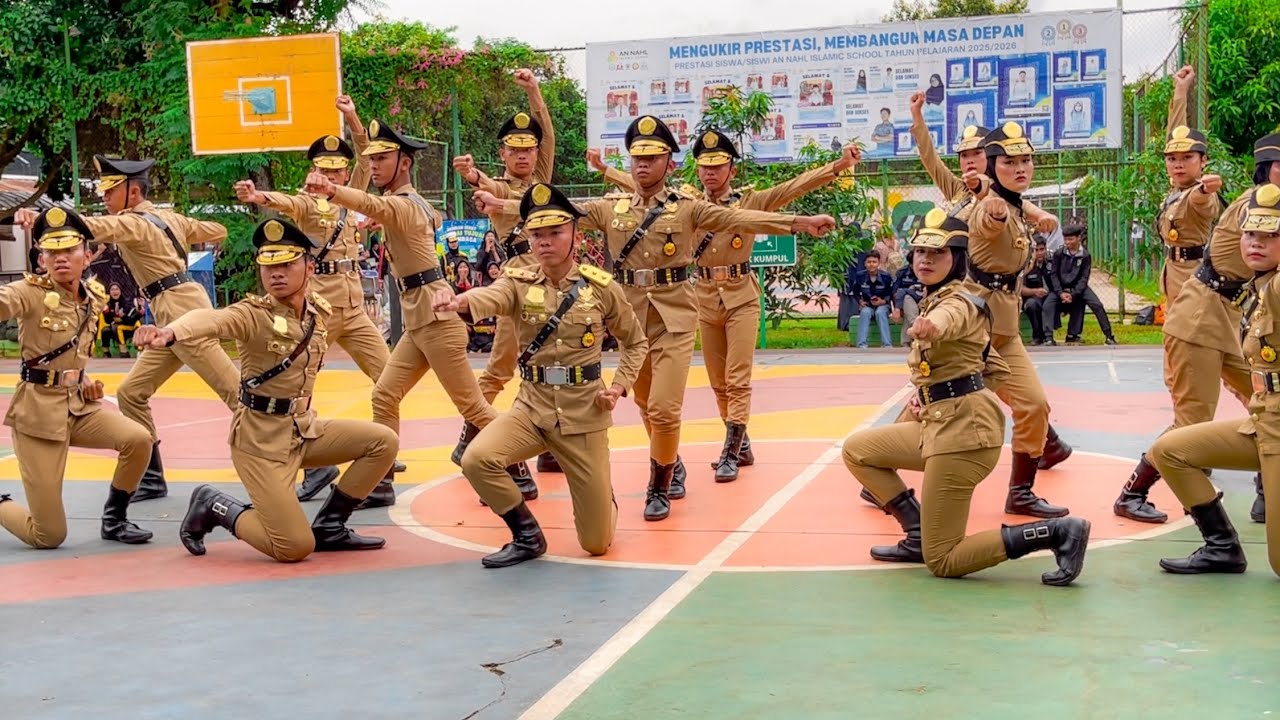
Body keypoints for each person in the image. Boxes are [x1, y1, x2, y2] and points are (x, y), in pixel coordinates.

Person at [476, 115, 835, 520]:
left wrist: (799, 224)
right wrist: (501, 205)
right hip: (631, 318)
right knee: (646, 404)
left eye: (652, 158)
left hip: (674, 316)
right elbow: (560, 211)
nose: (642, 165)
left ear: (670, 163)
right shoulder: (611, 208)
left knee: (664, 408)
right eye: (637, 158)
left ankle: (659, 485)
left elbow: (738, 218)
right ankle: (671, 461)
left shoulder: (686, 207)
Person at [590, 128, 857, 480]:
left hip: (740, 295)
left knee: (737, 377)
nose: (710, 173)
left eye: (718, 166)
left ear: (732, 169)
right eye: (705, 167)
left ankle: (731, 448)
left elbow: (792, 187)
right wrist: (606, 170)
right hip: (703, 296)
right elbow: (640, 186)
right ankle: (741, 442)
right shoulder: (681, 203)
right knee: (718, 380)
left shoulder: (747, 201)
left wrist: (836, 168)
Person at [842, 210, 1090, 585]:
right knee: (858, 450)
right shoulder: (936, 297)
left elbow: (950, 318)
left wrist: (933, 327)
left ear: (957, 258)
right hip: (942, 422)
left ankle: (1056, 533)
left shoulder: (957, 302)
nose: (925, 260)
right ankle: (918, 532)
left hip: (962, 438)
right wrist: (932, 392)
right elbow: (997, 370)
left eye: (937, 253)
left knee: (944, 560)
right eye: (921, 251)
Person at [133, 218, 398, 562]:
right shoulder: (253, 314)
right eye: (268, 265)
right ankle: (215, 505)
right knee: (293, 546)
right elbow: (210, 319)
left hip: (303, 432)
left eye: (287, 264)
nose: (276, 274)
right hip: (260, 444)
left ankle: (331, 525)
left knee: (383, 442)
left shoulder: (317, 313)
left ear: (310, 267)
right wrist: (170, 332)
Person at [436, 183, 648, 567]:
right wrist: (459, 300)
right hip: (532, 410)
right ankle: (526, 535)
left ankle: (602, 496)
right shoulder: (518, 282)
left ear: (575, 236)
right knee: (477, 458)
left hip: (583, 414)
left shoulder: (602, 288)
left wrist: (619, 386)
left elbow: (635, 342)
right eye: (536, 234)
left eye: (554, 232)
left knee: (596, 542)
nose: (544, 241)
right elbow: (492, 296)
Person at [302, 118, 507, 507]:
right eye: (371, 158)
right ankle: (380, 482)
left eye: (382, 158)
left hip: (437, 319)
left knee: (473, 407)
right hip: (419, 320)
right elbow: (422, 216)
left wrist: (332, 190)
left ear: (405, 163)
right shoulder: (412, 204)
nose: (374, 165)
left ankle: (517, 464)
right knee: (384, 394)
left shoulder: (401, 204)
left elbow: (375, 204)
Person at [15, 155, 238, 504]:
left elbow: (95, 227)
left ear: (133, 193)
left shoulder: (134, 223)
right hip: (171, 309)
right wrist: (183, 231)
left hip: (182, 313)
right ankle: (150, 477)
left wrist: (44, 221)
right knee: (132, 393)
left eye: (110, 191)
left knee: (238, 394)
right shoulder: (168, 218)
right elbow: (217, 230)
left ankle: (311, 459)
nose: (104, 197)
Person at [234, 94, 403, 502]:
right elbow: (286, 202)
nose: (332, 175)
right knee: (299, 384)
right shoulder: (309, 204)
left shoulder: (350, 194)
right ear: (314, 172)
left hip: (354, 309)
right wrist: (259, 197)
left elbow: (367, 155)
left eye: (338, 169)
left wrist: (353, 116)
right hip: (319, 311)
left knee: (389, 381)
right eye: (325, 169)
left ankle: (382, 464)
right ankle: (314, 463)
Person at [1115, 132, 1280, 525]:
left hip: (1229, 320)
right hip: (1198, 318)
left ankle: (1266, 491)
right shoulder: (1255, 206)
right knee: (1192, 420)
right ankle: (1133, 493)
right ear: (1266, 169)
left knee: (1266, 403)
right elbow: (1203, 202)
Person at [907, 94, 1073, 482]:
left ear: (990, 158)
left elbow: (1013, 205)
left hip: (1002, 315)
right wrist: (917, 118)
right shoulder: (960, 194)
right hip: (968, 313)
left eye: (977, 153)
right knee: (937, 395)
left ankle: (1037, 458)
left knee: (1016, 397)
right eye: (964, 154)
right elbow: (935, 164)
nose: (969, 160)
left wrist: (1034, 211)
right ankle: (887, 455)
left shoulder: (1007, 197)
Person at [0, 207, 154, 549]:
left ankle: (115, 518)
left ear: (87, 255)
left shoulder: (95, 297)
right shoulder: (29, 292)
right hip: (38, 416)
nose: (61, 258)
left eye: (69, 249)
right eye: (52, 251)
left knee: (139, 439)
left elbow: (74, 350)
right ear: (42, 259)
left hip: (78, 407)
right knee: (48, 535)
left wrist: (82, 379)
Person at [1147, 184, 1280, 576]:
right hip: (1264, 425)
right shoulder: (1257, 287)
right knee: (1171, 450)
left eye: (1271, 235)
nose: (1256, 243)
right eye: (1250, 233)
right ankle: (1222, 546)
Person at [454, 68, 560, 479]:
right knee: (501, 364)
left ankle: (550, 446)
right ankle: (470, 434)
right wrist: (472, 176)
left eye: (528, 149)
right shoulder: (498, 186)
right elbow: (490, 189)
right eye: (515, 150)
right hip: (519, 280)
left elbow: (547, 132)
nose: (523, 156)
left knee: (554, 359)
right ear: (502, 154)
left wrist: (534, 90)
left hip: (552, 281)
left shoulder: (541, 181)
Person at [967, 123, 1072, 516]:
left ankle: (1021, 493)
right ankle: (880, 465)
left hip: (1005, 328)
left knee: (1033, 405)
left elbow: (1012, 203)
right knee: (932, 405)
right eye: (1009, 162)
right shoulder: (992, 205)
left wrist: (1037, 211)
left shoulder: (1013, 202)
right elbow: (989, 213)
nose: (1021, 168)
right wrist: (991, 210)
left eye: (1026, 160)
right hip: (973, 330)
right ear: (992, 166)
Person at [1157, 66, 1223, 307]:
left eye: (1187, 158)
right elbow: (1175, 135)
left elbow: (1202, 200)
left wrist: (1206, 189)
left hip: (1194, 278)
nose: (1178, 164)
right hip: (1172, 274)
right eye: (1172, 159)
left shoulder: (1198, 192)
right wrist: (1180, 90)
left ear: (1203, 161)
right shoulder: (1176, 187)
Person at [1042, 224, 1117, 345]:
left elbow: (1084, 278)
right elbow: (1054, 274)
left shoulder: (1085, 256)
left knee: (1096, 305)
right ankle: (1048, 337)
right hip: (1060, 288)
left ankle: (1109, 336)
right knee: (1047, 305)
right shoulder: (1059, 254)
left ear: (1078, 238)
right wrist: (1060, 293)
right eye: (1065, 239)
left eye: (1070, 239)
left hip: (1078, 287)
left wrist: (1074, 293)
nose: (1067, 242)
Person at [855, 250, 894, 349]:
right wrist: (860, 301)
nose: (871, 264)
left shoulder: (886, 277)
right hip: (868, 305)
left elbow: (891, 293)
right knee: (865, 312)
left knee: (880, 313)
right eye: (869, 262)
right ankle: (861, 344)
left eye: (874, 262)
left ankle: (887, 344)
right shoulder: (860, 276)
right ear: (865, 263)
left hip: (882, 305)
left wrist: (883, 301)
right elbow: (855, 291)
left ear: (879, 263)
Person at [1020, 238, 1052, 345]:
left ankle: (1051, 337)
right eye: (1036, 250)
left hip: (1052, 295)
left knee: (1052, 303)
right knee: (1032, 304)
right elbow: (1020, 288)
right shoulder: (1025, 265)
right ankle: (1038, 336)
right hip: (1033, 297)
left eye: (1042, 249)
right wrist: (1034, 291)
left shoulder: (1052, 262)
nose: (1039, 253)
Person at [97, 282, 140, 357]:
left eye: (117, 289)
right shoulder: (108, 304)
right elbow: (108, 321)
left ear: (120, 291)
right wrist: (107, 313)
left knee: (116, 327)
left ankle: (124, 351)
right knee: (105, 330)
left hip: (129, 327)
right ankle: (106, 353)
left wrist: (123, 316)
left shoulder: (127, 303)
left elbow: (131, 320)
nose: (115, 292)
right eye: (112, 290)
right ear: (109, 292)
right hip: (116, 328)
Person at [891, 253, 923, 345]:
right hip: (906, 302)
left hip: (924, 300)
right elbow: (896, 292)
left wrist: (907, 290)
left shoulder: (928, 271)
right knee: (907, 298)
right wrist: (897, 308)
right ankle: (915, 325)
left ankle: (906, 341)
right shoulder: (902, 272)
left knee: (908, 314)